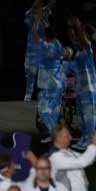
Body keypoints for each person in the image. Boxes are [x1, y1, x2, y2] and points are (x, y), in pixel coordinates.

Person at [48, 125, 96, 191]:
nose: (71, 138)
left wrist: (93, 147)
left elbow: (87, 159)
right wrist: (95, 145)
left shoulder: (69, 152)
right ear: (58, 138)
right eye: (67, 136)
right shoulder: (56, 157)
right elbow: (82, 161)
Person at [30, 12, 64, 143]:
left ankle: (56, 134)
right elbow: (49, 32)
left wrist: (37, 19)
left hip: (47, 84)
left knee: (43, 111)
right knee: (54, 110)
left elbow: (34, 32)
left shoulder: (44, 45)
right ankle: (53, 135)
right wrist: (44, 21)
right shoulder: (58, 45)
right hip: (58, 82)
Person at [68, 17, 96, 150]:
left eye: (81, 38)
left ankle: (90, 141)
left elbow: (82, 38)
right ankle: (84, 138)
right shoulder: (79, 51)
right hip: (80, 88)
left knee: (89, 117)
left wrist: (78, 25)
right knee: (81, 116)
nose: (78, 40)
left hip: (89, 89)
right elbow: (72, 38)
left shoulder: (88, 49)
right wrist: (70, 27)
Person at [24, 0, 55, 101]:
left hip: (43, 52)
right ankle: (26, 102)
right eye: (39, 3)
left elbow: (53, 2)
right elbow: (33, 7)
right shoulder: (30, 14)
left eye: (41, 3)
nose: (41, 4)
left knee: (45, 80)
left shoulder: (45, 12)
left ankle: (45, 106)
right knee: (30, 79)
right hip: (31, 54)